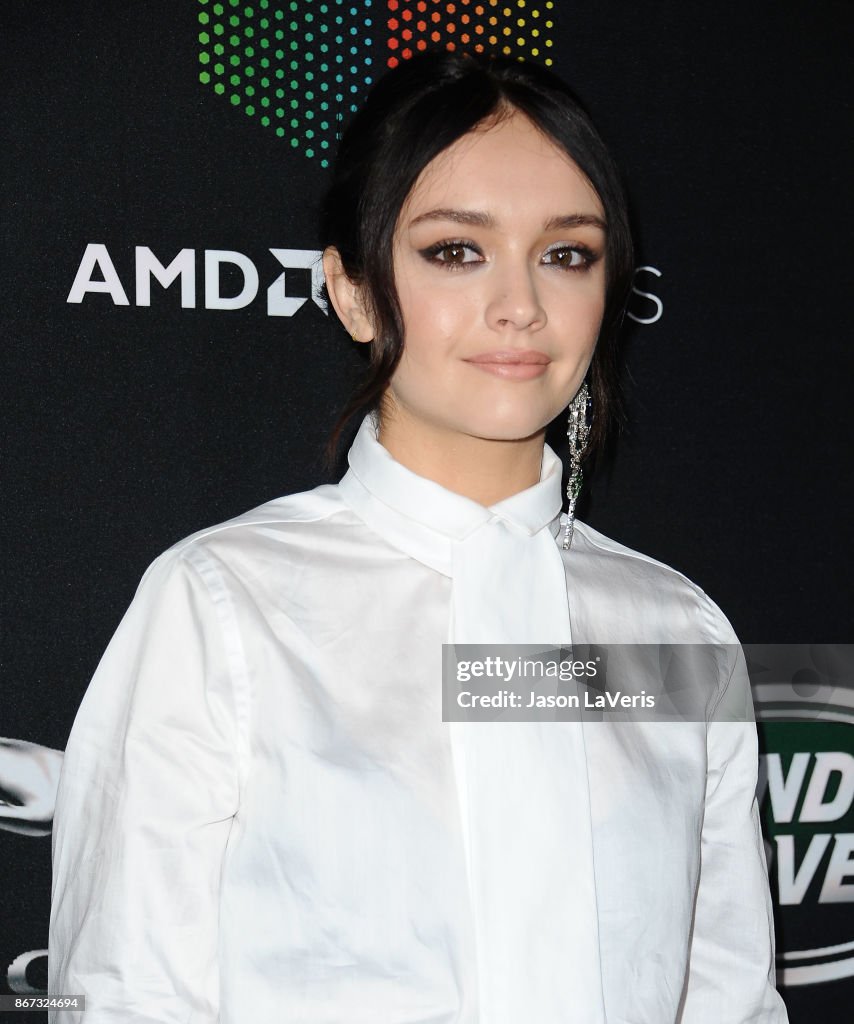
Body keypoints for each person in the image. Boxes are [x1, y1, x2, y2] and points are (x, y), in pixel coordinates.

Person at [48, 52, 788, 1023]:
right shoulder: (225, 601)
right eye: (454, 250)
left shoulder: (675, 630)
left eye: (565, 253)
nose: (518, 303)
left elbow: (728, 1000)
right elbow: (125, 996)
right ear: (352, 290)